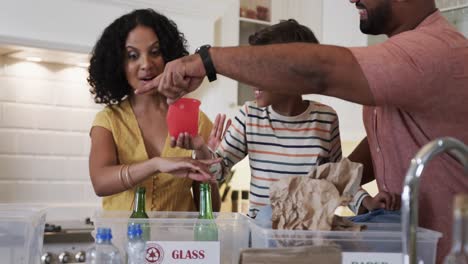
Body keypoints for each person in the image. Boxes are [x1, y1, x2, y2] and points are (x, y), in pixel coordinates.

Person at [136, 0, 468, 262]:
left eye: (268, 70)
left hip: (441, 250)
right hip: (396, 242)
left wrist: (205, 61)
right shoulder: (251, 117)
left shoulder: (429, 52)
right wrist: (203, 153)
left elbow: (319, 72)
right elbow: (350, 166)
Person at [171, 19, 399, 220]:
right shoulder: (250, 117)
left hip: (308, 233)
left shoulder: (325, 118)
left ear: (293, 74)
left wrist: (366, 202)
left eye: (262, 70)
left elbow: (337, 177)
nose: (251, 79)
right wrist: (200, 148)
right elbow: (216, 171)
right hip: (262, 235)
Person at [87, 9, 221, 213]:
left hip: (179, 244)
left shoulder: (197, 120)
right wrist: (156, 164)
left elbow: (211, 210)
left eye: (155, 52)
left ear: (169, 56)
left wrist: (204, 159)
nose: (146, 64)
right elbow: (100, 182)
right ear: (119, 64)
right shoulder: (109, 120)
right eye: (133, 55)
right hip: (124, 243)